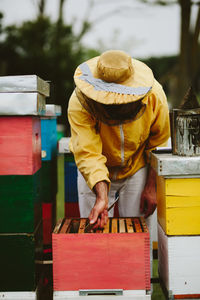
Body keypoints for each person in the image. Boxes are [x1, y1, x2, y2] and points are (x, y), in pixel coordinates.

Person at [68, 49, 170, 232]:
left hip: (136, 168)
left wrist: (152, 186)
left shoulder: (156, 96)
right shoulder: (78, 103)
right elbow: (87, 152)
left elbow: (158, 144)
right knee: (94, 233)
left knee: (138, 234)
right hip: (93, 172)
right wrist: (101, 195)